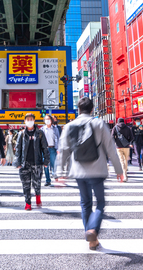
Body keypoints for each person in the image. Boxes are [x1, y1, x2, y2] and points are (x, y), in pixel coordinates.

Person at [57, 97, 125, 250]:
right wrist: (119, 171)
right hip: (97, 169)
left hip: (78, 169)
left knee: (85, 203)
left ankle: (91, 238)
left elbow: (64, 151)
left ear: (78, 109)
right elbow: (110, 149)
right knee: (100, 202)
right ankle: (93, 229)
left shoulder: (69, 126)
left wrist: (59, 172)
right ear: (92, 109)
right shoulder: (99, 124)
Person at [14, 113, 50, 210]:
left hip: (37, 163)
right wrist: (17, 162)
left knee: (37, 183)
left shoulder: (40, 133)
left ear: (34, 120)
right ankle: (28, 203)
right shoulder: (21, 134)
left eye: (31, 119)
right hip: (24, 163)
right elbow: (18, 149)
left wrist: (46, 161)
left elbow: (45, 148)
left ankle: (38, 196)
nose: (29, 121)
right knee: (25, 184)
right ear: (25, 121)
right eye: (27, 119)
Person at [41, 115, 60, 186]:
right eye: (46, 119)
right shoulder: (42, 129)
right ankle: (47, 180)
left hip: (52, 148)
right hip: (45, 149)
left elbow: (58, 139)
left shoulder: (55, 129)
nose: (47, 120)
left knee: (54, 164)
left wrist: (58, 149)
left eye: (48, 119)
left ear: (51, 120)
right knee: (46, 166)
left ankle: (54, 175)